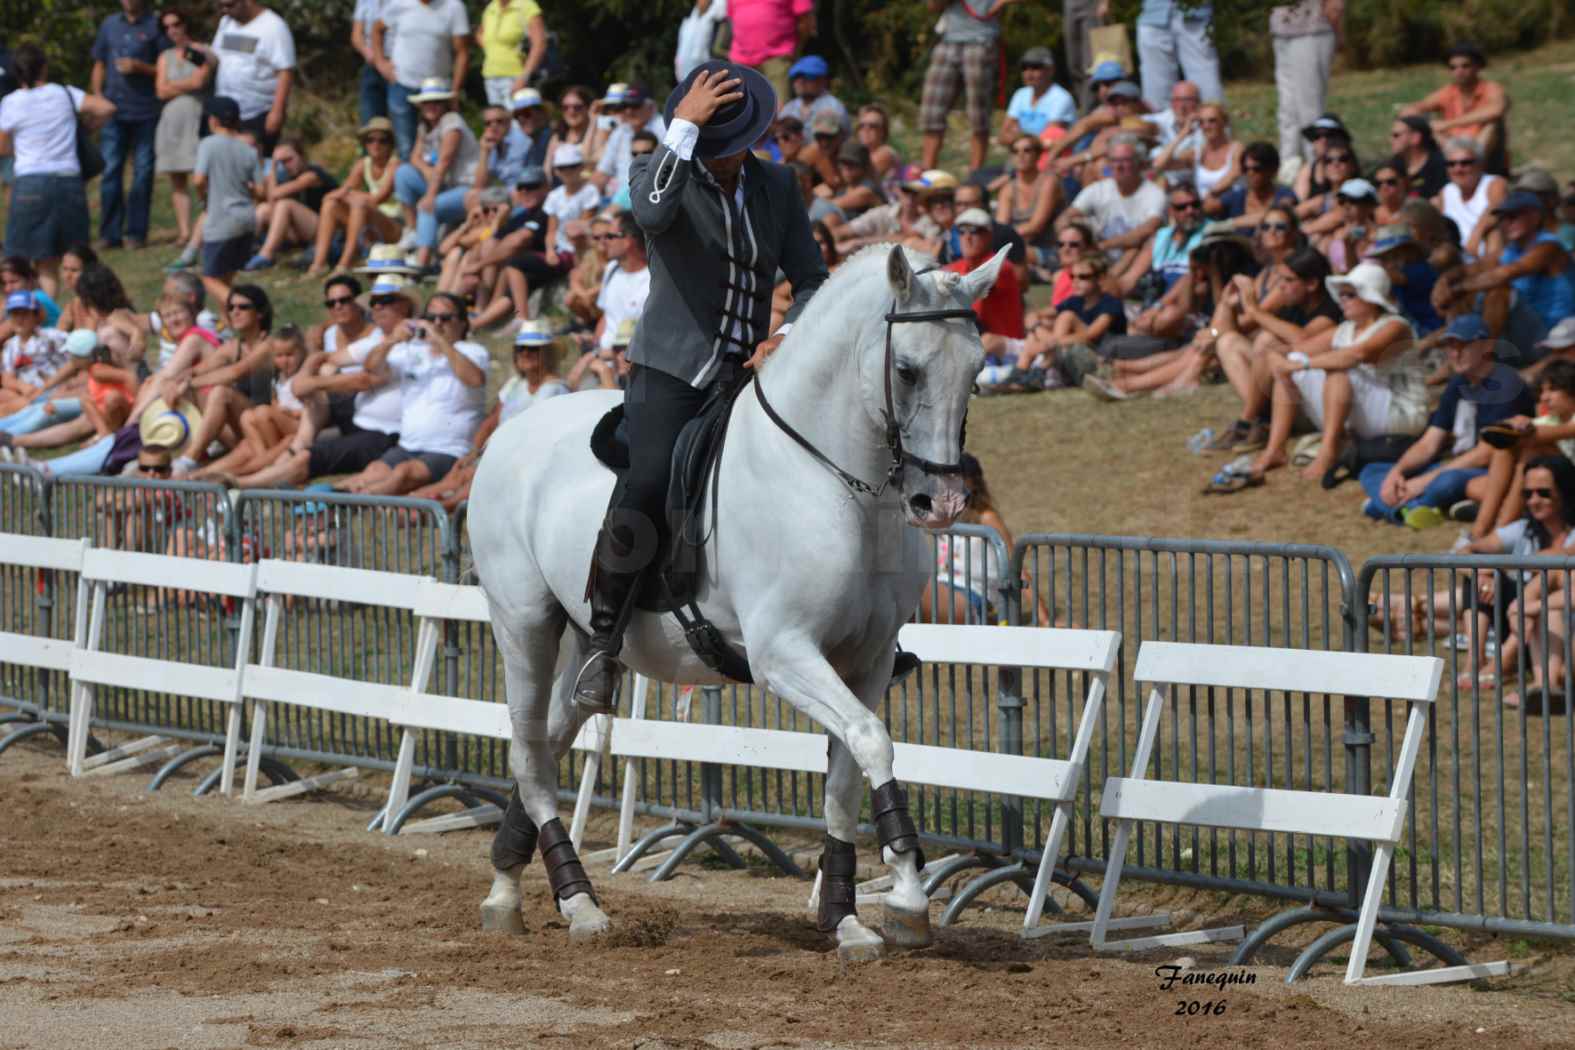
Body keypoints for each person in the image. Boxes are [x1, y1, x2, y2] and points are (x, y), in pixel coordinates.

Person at [574, 61, 828, 713]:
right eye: (707, 144)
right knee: (651, 476)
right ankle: (602, 644)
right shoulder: (659, 172)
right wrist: (680, 127)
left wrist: (785, 337)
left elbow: (811, 281)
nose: (719, 158)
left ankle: (850, 625)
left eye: (727, 144)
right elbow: (651, 213)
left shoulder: (776, 183)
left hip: (749, 372)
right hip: (671, 370)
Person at [1241, 261, 1426, 486]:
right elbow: (1298, 351)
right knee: (1291, 366)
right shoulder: (1345, 329)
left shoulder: (1396, 326)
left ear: (1370, 298)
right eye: (1342, 294)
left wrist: (1299, 365)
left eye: (1350, 294)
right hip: (1368, 412)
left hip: (1400, 415)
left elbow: (1358, 354)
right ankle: (1275, 450)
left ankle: (1328, 451)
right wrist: (1279, 357)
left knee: (1334, 370)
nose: (1342, 300)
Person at [231, 273, 410, 489]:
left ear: (405, 306)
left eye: (386, 301)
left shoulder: (409, 344)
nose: (378, 307)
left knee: (278, 431)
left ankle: (241, 482)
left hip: (384, 432)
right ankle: (214, 471)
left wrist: (313, 382)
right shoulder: (377, 340)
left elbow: (366, 379)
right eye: (375, 302)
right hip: (355, 418)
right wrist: (309, 375)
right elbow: (324, 361)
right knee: (256, 421)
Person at [1360, 314, 1535, 528]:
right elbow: (1430, 441)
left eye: (1463, 346)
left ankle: (1393, 509)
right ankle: (1407, 506)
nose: (1454, 353)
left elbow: (1486, 453)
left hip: (1490, 471)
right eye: (1450, 346)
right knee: (1373, 470)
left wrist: (1425, 481)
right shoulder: (1458, 383)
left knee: (1444, 482)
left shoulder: (1506, 384)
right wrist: (1398, 472)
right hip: (1456, 464)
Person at [338, 290, 487, 495]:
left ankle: (346, 504)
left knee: (403, 473)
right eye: (430, 318)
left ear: (462, 323)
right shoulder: (413, 351)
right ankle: (327, 497)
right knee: (372, 472)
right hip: (408, 445)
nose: (436, 323)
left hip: (448, 449)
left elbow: (475, 379)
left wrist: (439, 339)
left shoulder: (472, 351)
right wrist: (391, 340)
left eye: (444, 318)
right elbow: (372, 367)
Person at [0, 44, 117, 298]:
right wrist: (86, 129)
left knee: (38, 262)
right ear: (44, 67)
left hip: (30, 183)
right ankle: (83, 314)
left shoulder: (10, 103)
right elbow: (106, 108)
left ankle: (44, 320)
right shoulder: (63, 93)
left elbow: (2, 146)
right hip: (68, 182)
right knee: (74, 256)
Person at [918, 454, 1049, 625]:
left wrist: (1045, 618)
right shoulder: (943, 516)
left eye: (957, 476)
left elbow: (1015, 566)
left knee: (914, 590)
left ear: (973, 482)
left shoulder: (986, 518)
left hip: (973, 595)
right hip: (943, 587)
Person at [1439, 190, 1574, 355]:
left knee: (1498, 290)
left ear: (1535, 216)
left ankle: (1480, 357)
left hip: (1554, 332)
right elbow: (1472, 268)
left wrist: (1456, 289)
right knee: (1466, 290)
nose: (1507, 223)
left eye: (1513, 216)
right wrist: (1445, 281)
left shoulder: (1549, 247)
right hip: (1525, 331)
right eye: (1503, 218)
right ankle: (1456, 353)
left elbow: (1506, 273)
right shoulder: (1512, 250)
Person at [90, 0, 167, 251]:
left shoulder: (156, 25)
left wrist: (140, 67)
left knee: (142, 172)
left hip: (145, 110)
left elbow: (168, 68)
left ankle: (136, 233)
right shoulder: (109, 25)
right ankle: (109, 234)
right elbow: (99, 62)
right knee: (111, 170)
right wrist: (98, 95)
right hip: (114, 110)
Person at [392, 78, 482, 271]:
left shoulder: (452, 123)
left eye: (436, 102)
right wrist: (426, 171)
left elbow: (444, 161)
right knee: (403, 173)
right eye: (427, 102)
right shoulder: (425, 127)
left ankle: (421, 262)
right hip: (443, 183)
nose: (431, 106)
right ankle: (412, 231)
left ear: (445, 104)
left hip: (466, 187)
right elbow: (414, 157)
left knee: (428, 207)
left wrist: (430, 195)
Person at [918, 0, 1016, 172]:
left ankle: (975, 175)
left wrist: (1000, 3)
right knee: (932, 111)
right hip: (948, 40)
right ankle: (927, 175)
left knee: (977, 114)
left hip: (982, 40)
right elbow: (932, 7)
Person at [374, 0, 471, 160]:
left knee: (443, 147)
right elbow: (377, 29)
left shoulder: (454, 7)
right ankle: (410, 182)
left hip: (438, 92)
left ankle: (441, 183)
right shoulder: (399, 3)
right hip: (402, 85)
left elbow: (462, 52)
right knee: (406, 147)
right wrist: (380, 62)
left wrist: (454, 91)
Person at [1056, 135, 1166, 274]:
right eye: (1114, 160)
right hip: (1100, 260)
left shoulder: (1154, 193)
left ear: (1138, 162)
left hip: (1136, 263)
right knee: (1075, 227)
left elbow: (1148, 229)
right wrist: (1070, 238)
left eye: (1125, 160)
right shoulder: (1098, 189)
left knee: (1138, 244)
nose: (1119, 166)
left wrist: (1103, 245)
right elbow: (1065, 218)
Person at [1399, 42, 1510, 175]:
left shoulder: (1491, 88)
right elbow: (1409, 111)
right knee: (1423, 125)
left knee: (1493, 124)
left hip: (1483, 151)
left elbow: (1496, 109)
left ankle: (1473, 166)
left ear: (1478, 67)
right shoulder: (1448, 92)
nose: (1459, 71)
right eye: (1453, 68)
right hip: (1451, 147)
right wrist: (1427, 123)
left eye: (1465, 66)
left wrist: (1448, 124)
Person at [307, 117, 399, 276]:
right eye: (370, 140)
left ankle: (345, 264)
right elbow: (342, 191)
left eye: (382, 140)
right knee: (331, 205)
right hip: (370, 220)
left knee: (358, 203)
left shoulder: (395, 165)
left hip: (394, 224)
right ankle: (318, 264)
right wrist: (339, 196)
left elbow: (379, 198)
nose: (375, 145)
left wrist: (350, 195)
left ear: (390, 144)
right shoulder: (363, 164)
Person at [154, 9, 214, 248]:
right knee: (176, 177)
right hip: (171, 120)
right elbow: (160, 90)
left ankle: (207, 225)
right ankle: (184, 231)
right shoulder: (165, 56)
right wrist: (183, 85)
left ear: (185, 24)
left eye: (176, 24)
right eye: (167, 27)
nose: (172, 30)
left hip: (197, 117)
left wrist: (173, 85)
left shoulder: (200, 51)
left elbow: (201, 80)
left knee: (201, 176)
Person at [191, 95, 257, 308]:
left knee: (209, 279)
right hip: (247, 219)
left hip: (221, 221)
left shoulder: (208, 144)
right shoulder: (248, 149)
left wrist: (204, 197)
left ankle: (245, 306)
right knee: (225, 280)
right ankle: (228, 327)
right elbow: (262, 189)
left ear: (213, 120)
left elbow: (199, 179)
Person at [209, 0, 295, 155]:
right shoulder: (226, 23)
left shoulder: (273, 26)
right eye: (221, 6)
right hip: (227, 112)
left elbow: (285, 71)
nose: (225, 10)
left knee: (257, 166)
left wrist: (277, 111)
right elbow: (216, 56)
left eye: (229, 5)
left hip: (257, 112)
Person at [244, 139, 340, 271]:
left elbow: (275, 195)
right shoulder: (288, 175)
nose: (284, 166)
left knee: (285, 204)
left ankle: (266, 255)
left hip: (330, 232)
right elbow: (271, 202)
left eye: (288, 160)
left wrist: (271, 169)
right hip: (305, 231)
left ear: (302, 156)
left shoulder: (312, 175)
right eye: (280, 162)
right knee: (264, 209)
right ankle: (244, 250)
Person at [1269, 0, 1341, 169]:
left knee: (1310, 108)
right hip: (1282, 28)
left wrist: (1337, 26)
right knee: (1287, 107)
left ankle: (1316, 164)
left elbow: (1334, 6)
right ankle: (1289, 164)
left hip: (1313, 29)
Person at [948, 208, 1023, 338]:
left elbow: (967, 299)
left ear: (989, 236)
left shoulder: (1000, 266)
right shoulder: (955, 266)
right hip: (975, 343)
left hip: (1004, 349)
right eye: (961, 231)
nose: (967, 237)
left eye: (974, 231)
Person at [1136, 0, 1222, 111]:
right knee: (1156, 88)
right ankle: (1160, 126)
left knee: (1206, 80)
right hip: (1153, 13)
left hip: (1196, 13)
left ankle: (1213, 123)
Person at [726, 0, 814, 103]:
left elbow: (806, 22)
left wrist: (795, 50)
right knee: (741, 111)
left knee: (778, 111)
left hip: (778, 58)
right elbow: (732, 18)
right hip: (740, 60)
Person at [1433, 137, 1504, 259]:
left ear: (1480, 164)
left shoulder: (1493, 183)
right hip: (1457, 257)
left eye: (1465, 163)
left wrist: (1476, 235)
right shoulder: (1446, 192)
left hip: (1486, 255)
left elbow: (1496, 209)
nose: (1458, 169)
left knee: (1495, 233)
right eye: (1451, 164)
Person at [998, 47, 1076, 149]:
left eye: (1035, 67)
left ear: (1050, 70)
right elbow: (1003, 136)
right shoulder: (1020, 95)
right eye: (1024, 67)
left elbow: (1051, 137)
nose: (1028, 73)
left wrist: (1017, 137)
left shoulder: (1061, 98)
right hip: (1024, 155)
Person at [1212, 142, 1298, 230]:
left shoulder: (1285, 194)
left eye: (1257, 169)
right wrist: (1226, 181)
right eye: (1246, 169)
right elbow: (1207, 207)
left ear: (1272, 169)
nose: (1250, 173)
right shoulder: (1237, 196)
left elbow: (1277, 215)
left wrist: (1229, 224)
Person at [476, 0, 545, 105]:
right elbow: (480, 34)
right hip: (490, 77)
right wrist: (493, 51)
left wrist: (524, 77)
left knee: (518, 120)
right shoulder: (491, 7)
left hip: (516, 78)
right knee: (497, 119)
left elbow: (539, 44)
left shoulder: (526, 5)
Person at [779, 55, 848, 134]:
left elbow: (826, 144)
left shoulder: (833, 106)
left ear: (823, 80)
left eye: (808, 76)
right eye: (796, 76)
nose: (801, 81)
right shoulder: (789, 108)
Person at [351, 0, 390, 126]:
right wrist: (368, 52)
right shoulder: (364, 2)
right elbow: (356, 36)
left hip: (396, 66)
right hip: (372, 66)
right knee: (370, 122)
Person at [1390, 115, 1446, 199]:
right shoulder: (1394, 165)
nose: (1391, 140)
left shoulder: (1440, 166)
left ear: (1415, 137)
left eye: (1396, 135)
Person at [676, 0, 729, 83]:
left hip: (703, 72)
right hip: (683, 74)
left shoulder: (713, 15)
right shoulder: (689, 21)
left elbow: (722, 7)